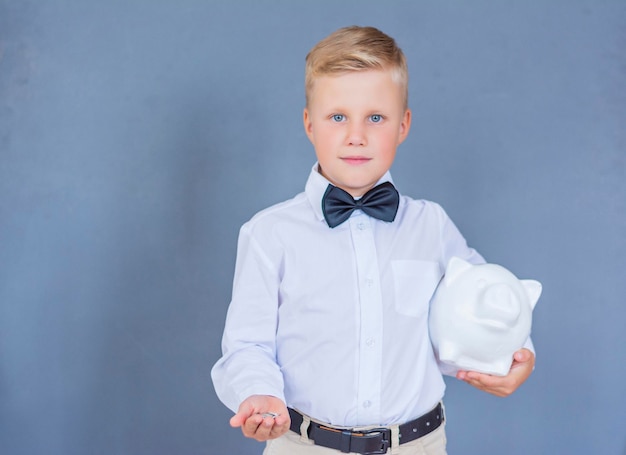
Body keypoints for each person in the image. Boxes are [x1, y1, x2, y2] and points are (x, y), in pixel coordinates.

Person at [211, 25, 535, 455]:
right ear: (310, 124)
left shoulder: (432, 226)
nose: (356, 135)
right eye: (338, 116)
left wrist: (516, 354)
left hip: (418, 445)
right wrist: (259, 394)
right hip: (304, 446)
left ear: (403, 125)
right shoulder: (270, 234)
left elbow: (487, 299)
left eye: (376, 117)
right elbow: (247, 344)